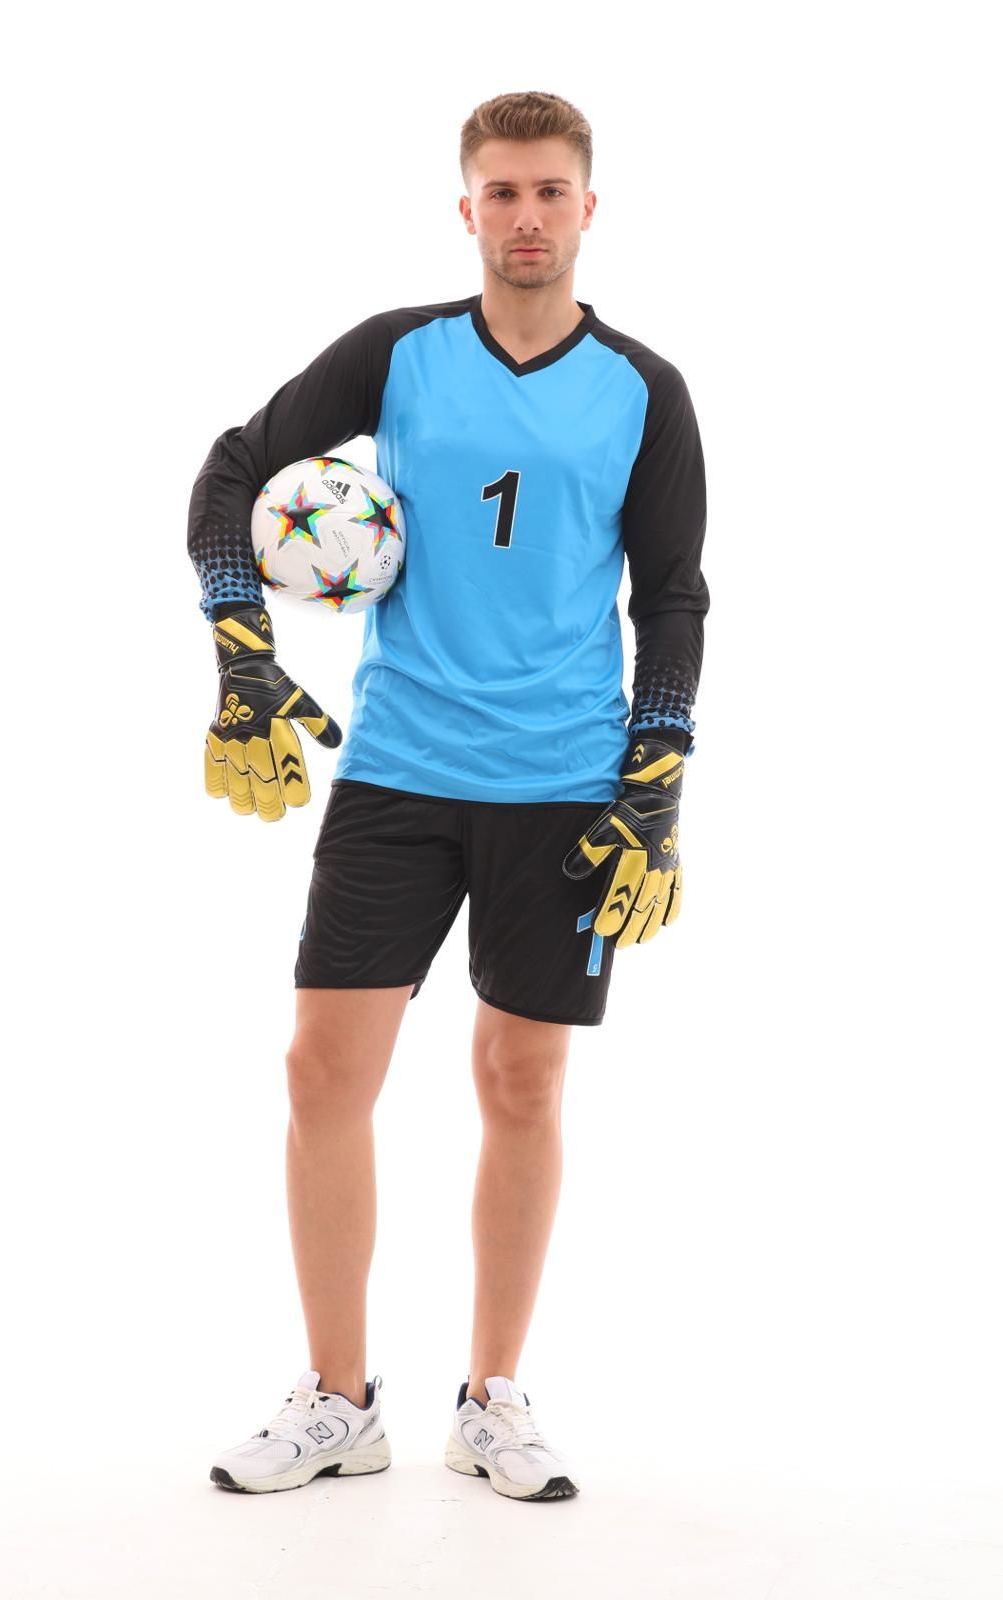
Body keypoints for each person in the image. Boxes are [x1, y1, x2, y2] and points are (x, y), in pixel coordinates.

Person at [188, 89, 709, 1503]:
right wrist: (243, 651)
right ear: (465, 207)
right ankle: (338, 1400)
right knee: (321, 1070)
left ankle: (494, 1398)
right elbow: (232, 470)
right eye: (502, 192)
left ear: (588, 208)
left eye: (550, 191)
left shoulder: (645, 390)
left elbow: (671, 595)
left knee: (521, 1080)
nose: (527, 217)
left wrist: (657, 775)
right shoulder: (398, 352)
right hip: (401, 767)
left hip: (565, 786)